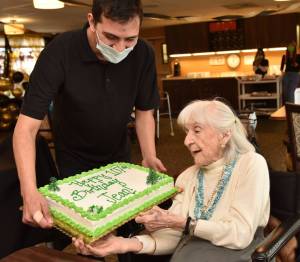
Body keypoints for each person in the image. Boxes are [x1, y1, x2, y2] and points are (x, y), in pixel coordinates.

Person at [12, 0, 165, 254]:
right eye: (111, 37)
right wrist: (29, 191)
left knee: (130, 231)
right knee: (86, 241)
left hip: (119, 156)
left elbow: (144, 111)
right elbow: (26, 128)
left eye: (130, 40)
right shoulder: (59, 52)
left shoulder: (144, 53)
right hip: (74, 157)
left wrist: (149, 155)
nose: (120, 48)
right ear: (92, 21)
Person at [73, 99, 270, 262]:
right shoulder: (188, 177)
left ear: (224, 135)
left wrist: (181, 223)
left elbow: (240, 235)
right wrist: (123, 244)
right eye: (186, 132)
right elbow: (172, 237)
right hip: (189, 253)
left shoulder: (251, 164)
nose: (186, 140)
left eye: (197, 130)